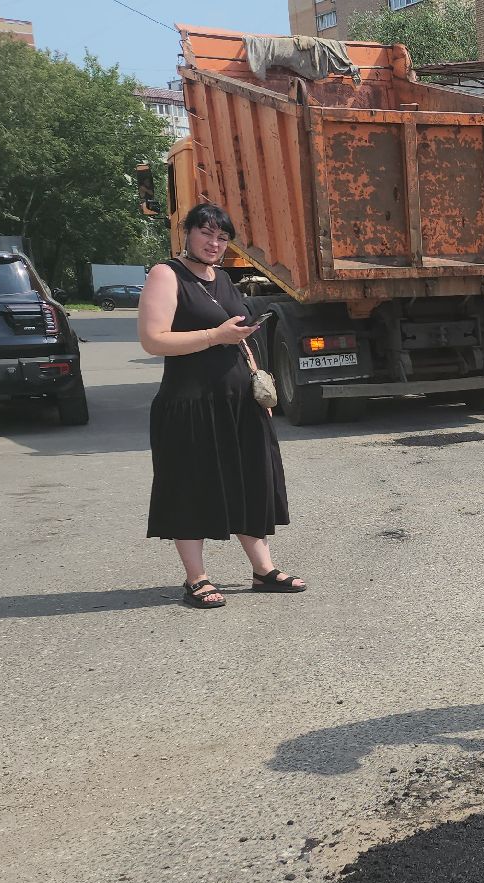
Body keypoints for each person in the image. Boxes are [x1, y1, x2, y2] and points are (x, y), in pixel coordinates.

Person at [139, 203, 304, 609]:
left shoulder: (224, 278)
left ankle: (263, 571)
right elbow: (153, 340)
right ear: (187, 233)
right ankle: (196, 579)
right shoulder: (166, 275)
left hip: (239, 402)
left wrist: (259, 386)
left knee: (251, 481)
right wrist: (214, 335)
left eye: (222, 238)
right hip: (190, 403)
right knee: (191, 487)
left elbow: (241, 337)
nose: (214, 244)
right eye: (206, 233)